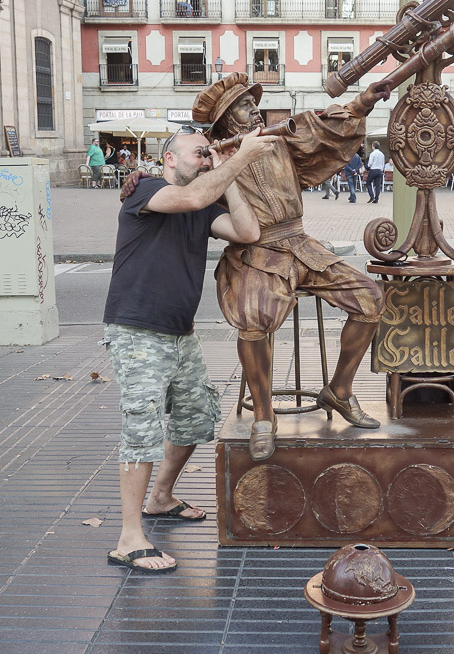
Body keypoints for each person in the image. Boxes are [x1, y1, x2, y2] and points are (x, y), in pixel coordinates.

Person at [104, 125, 276, 574]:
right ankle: (128, 537)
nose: (204, 159)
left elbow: (247, 230)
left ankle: (159, 497)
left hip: (180, 333)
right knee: (142, 429)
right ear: (168, 159)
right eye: (197, 153)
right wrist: (240, 158)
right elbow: (193, 198)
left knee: (196, 415)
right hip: (137, 329)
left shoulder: (203, 200)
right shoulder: (148, 190)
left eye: (207, 154)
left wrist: (229, 174)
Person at [194, 73, 392, 460]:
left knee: (370, 298)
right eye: (244, 107)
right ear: (225, 122)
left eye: (254, 105)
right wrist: (141, 179)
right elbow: (176, 180)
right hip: (256, 253)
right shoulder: (213, 159)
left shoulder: (278, 139)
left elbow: (322, 126)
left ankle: (340, 390)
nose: (255, 112)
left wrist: (364, 101)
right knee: (253, 320)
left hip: (301, 244)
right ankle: (264, 417)